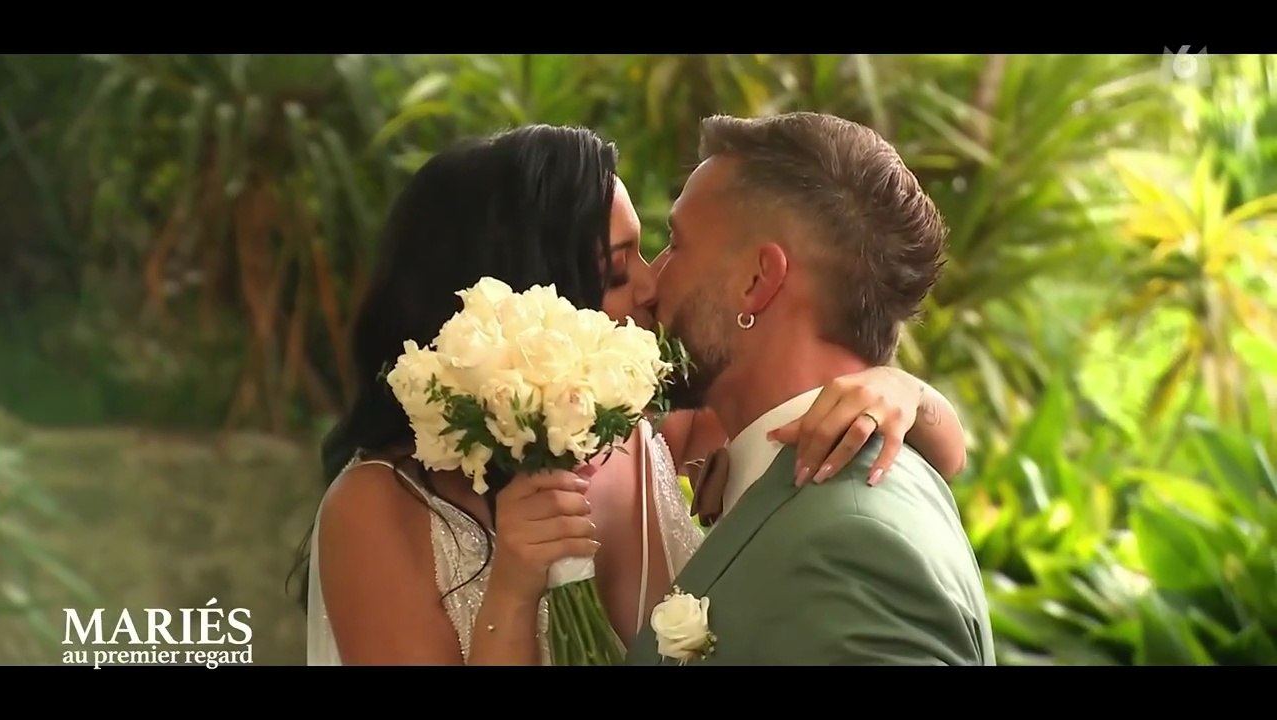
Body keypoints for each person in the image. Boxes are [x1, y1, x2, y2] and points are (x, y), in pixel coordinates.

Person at [294, 123, 970, 666]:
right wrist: (513, 586)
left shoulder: (640, 432)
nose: (650, 287)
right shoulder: (381, 508)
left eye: (655, 250)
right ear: (519, 299)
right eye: (617, 269)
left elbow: (909, 450)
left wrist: (898, 388)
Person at [625, 112, 994, 666]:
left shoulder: (853, 542)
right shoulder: (776, 486)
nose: (650, 281)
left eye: (675, 244)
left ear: (756, 281)